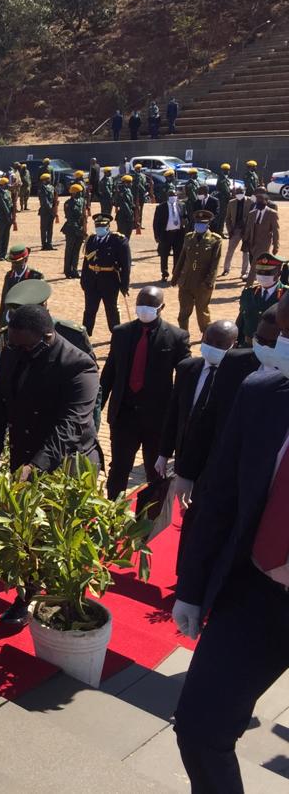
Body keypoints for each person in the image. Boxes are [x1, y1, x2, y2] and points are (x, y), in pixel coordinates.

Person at [171, 294, 289, 793]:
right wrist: (191, 589)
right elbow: (221, 496)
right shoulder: (262, 394)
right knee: (200, 730)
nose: (281, 344)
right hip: (259, 591)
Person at [0, 304, 100, 625]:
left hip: (67, 464)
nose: (17, 350)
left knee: (60, 536)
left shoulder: (79, 366)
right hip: (25, 455)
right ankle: (28, 594)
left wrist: (34, 467)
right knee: (28, 534)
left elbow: (70, 427)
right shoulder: (13, 351)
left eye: (24, 346)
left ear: (47, 338)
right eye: (13, 344)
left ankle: (63, 600)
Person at [162, 318, 263, 521]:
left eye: (220, 344)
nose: (212, 347)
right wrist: (164, 453)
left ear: (233, 345)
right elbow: (174, 412)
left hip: (215, 459)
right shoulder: (188, 368)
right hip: (186, 453)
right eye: (208, 341)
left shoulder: (242, 378)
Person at [100, 286, 190, 499]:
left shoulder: (176, 337)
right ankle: (111, 510)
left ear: (161, 307)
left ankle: (150, 514)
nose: (144, 308)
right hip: (124, 415)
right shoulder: (121, 333)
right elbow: (109, 373)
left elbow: (185, 379)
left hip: (157, 419)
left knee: (155, 472)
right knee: (119, 469)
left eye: (150, 305)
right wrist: (97, 407)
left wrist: (180, 418)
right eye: (141, 303)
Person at [173, 209, 223, 334]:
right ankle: (183, 334)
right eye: (197, 223)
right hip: (186, 281)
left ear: (208, 224)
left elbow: (215, 263)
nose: (199, 225)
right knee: (184, 310)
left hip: (202, 282)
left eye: (202, 223)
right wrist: (176, 275)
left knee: (202, 311)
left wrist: (210, 281)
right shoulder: (189, 237)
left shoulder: (215, 240)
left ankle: (206, 334)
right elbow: (182, 258)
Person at [81, 213, 131, 335]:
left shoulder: (118, 241)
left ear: (108, 227)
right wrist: (83, 280)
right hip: (92, 281)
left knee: (111, 310)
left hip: (109, 281)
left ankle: (116, 335)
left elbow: (126, 265)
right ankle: (85, 335)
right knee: (89, 310)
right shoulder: (91, 240)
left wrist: (124, 284)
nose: (99, 229)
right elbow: (86, 262)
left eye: (102, 226)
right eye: (97, 226)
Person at [236, 254, 288, 346]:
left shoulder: (286, 295)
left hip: (273, 349)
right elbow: (241, 321)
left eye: (268, 273)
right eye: (259, 272)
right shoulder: (248, 293)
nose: (262, 276)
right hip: (247, 346)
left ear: (279, 273)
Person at [0, 244, 44, 326]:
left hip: (27, 321)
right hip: (8, 319)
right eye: (12, 262)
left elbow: (41, 303)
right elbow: (4, 298)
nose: (13, 265)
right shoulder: (9, 276)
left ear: (26, 259)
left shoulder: (35, 276)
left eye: (17, 262)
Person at [242, 188, 280, 284]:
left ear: (266, 201)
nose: (259, 202)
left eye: (261, 200)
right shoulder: (252, 213)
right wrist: (245, 241)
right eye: (258, 200)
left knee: (254, 264)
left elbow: (275, 231)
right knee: (260, 264)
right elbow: (248, 228)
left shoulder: (272, 213)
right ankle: (270, 282)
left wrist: (276, 246)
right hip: (252, 243)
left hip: (264, 243)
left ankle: (248, 286)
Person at [153, 189, 187, 282]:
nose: (173, 197)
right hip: (166, 234)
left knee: (178, 255)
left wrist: (185, 222)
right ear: (167, 197)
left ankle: (176, 273)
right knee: (164, 255)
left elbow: (185, 217)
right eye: (171, 195)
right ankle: (164, 274)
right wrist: (156, 236)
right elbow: (156, 223)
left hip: (178, 234)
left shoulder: (181, 205)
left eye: (175, 195)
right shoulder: (161, 207)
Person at [223, 186, 254, 278]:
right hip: (235, 230)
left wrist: (248, 230)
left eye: (241, 192)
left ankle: (245, 272)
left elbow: (253, 218)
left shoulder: (251, 201)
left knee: (246, 252)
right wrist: (230, 230)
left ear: (245, 192)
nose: (239, 194)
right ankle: (226, 269)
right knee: (230, 250)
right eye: (237, 193)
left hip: (246, 231)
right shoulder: (231, 203)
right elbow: (227, 218)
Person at [61, 183, 87, 278]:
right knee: (69, 251)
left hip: (80, 229)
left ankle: (74, 270)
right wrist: (78, 229)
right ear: (73, 193)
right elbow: (70, 218)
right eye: (79, 192)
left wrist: (83, 229)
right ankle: (67, 271)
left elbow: (83, 216)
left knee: (76, 250)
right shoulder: (68, 203)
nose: (80, 193)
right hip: (71, 229)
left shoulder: (82, 201)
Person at [0, 176, 15, 261]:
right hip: (2, 218)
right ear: (2, 185)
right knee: (1, 236)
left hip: (8, 217)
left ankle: (4, 253)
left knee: (6, 236)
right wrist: (9, 216)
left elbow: (11, 204)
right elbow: (4, 207)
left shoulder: (8, 192)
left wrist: (13, 213)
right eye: (6, 184)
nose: (8, 185)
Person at [36, 172, 56, 251]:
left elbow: (53, 198)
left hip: (51, 210)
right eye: (48, 179)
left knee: (50, 228)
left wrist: (54, 208)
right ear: (45, 180)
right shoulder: (42, 188)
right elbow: (44, 200)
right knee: (44, 228)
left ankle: (49, 243)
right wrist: (51, 209)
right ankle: (44, 244)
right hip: (45, 210)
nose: (50, 179)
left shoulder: (51, 187)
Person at [114, 174, 136, 240]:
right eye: (129, 182)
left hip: (127, 215)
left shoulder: (128, 190)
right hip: (124, 216)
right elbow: (125, 205)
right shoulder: (123, 191)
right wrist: (130, 216)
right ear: (125, 183)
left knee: (127, 234)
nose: (131, 184)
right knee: (123, 235)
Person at [214, 164, 232, 235]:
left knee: (223, 216)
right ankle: (218, 232)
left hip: (224, 200)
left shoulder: (224, 178)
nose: (228, 172)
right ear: (223, 171)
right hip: (222, 200)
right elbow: (226, 191)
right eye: (227, 170)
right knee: (221, 216)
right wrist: (230, 197)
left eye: (228, 170)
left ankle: (219, 231)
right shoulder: (222, 179)